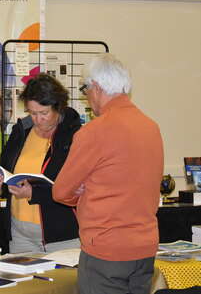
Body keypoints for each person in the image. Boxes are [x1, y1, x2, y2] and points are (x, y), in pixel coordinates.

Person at [53, 53, 164, 294]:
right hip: (145, 246)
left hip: (106, 249)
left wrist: (81, 195)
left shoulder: (94, 132)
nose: (86, 96)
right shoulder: (151, 127)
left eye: (85, 89)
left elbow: (61, 191)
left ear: (96, 86)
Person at [0, 73, 81, 253]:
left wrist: (34, 192)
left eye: (44, 113)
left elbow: (75, 186)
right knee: (24, 281)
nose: (38, 119)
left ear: (58, 107)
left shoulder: (74, 135)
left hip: (62, 235)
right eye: (32, 113)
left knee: (62, 282)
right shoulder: (22, 130)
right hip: (20, 233)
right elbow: (7, 171)